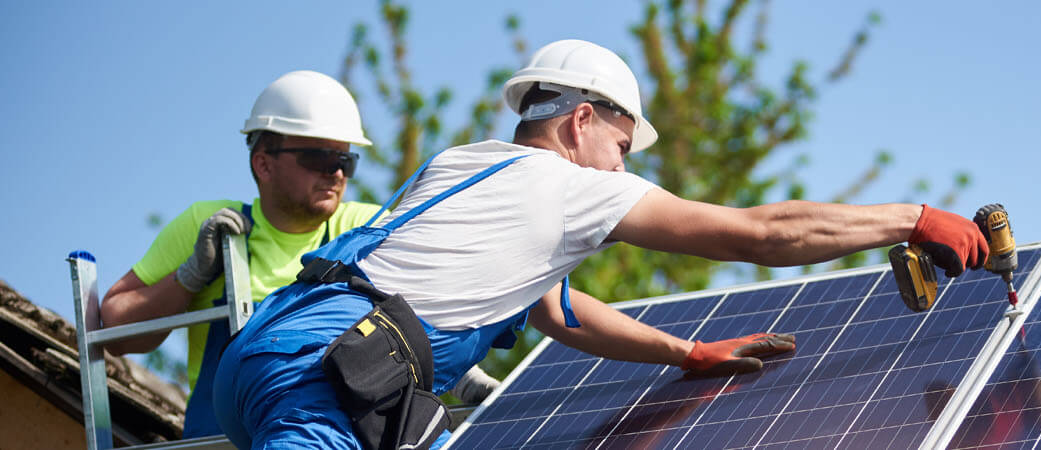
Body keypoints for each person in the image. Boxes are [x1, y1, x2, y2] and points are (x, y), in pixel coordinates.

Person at [211, 39, 988, 449]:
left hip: (266, 354)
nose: (624, 168)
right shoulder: (573, 186)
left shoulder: (459, 167)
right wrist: (912, 219)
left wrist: (684, 354)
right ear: (582, 122)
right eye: (623, 146)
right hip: (326, 383)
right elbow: (760, 233)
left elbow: (559, 309)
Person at [98, 70, 498, 439]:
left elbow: (426, 315)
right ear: (264, 164)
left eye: (346, 160)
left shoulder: (364, 226)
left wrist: (464, 376)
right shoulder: (208, 225)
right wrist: (189, 277)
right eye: (319, 157)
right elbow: (113, 327)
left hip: (338, 440)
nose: (336, 173)